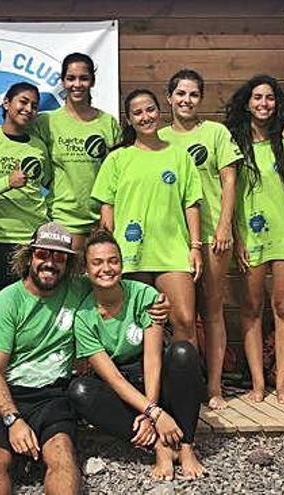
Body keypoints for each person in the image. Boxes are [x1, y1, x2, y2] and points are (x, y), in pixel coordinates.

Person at [68, 230, 205, 481]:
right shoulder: (83, 316)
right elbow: (114, 379)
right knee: (79, 391)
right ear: (86, 270)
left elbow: (152, 359)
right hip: (121, 382)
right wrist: (154, 415)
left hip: (150, 376)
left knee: (183, 351)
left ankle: (186, 444)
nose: (106, 268)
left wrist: (153, 411)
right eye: (97, 263)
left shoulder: (144, 295)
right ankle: (159, 445)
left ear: (121, 264)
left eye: (113, 260)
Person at [0, 222, 85, 495]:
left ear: (68, 263)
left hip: (51, 394)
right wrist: (13, 420)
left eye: (59, 256)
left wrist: (155, 304)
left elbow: (117, 287)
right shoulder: (4, 303)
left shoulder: (78, 290)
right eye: (43, 254)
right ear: (29, 257)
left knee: (62, 454)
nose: (50, 263)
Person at [91, 89, 203, 360]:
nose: (145, 117)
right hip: (131, 255)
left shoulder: (179, 156)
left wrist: (195, 246)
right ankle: (147, 392)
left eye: (150, 109)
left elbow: (191, 203)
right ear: (129, 120)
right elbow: (107, 210)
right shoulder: (118, 158)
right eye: (137, 113)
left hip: (172, 252)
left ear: (159, 111)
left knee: (185, 321)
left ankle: (186, 391)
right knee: (140, 326)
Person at [0, 53, 121, 251]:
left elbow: (117, 173)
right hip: (63, 219)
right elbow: (11, 134)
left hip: (103, 218)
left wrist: (109, 215)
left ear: (92, 81)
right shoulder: (45, 122)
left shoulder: (108, 123)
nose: (77, 84)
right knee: (69, 280)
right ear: (62, 82)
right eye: (71, 78)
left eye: (83, 78)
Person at [158, 69, 243, 410]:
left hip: (211, 236)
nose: (186, 100)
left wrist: (224, 226)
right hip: (173, 239)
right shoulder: (159, 136)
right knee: (180, 315)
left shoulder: (215, 133)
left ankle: (214, 385)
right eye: (180, 94)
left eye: (193, 94)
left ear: (200, 99)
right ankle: (184, 383)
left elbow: (229, 181)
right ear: (169, 98)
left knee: (212, 310)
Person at [224, 75, 284, 404]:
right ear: (247, 102)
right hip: (249, 235)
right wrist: (236, 236)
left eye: (270, 98)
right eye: (257, 98)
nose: (264, 104)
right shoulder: (232, 142)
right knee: (251, 308)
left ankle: (281, 383)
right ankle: (258, 383)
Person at [0, 82, 51, 289]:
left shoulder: (38, 146)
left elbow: (49, 183)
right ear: (6, 103)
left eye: (34, 105)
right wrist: (7, 182)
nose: (28, 109)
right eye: (23, 102)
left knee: (39, 299)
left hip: (36, 236)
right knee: (13, 297)